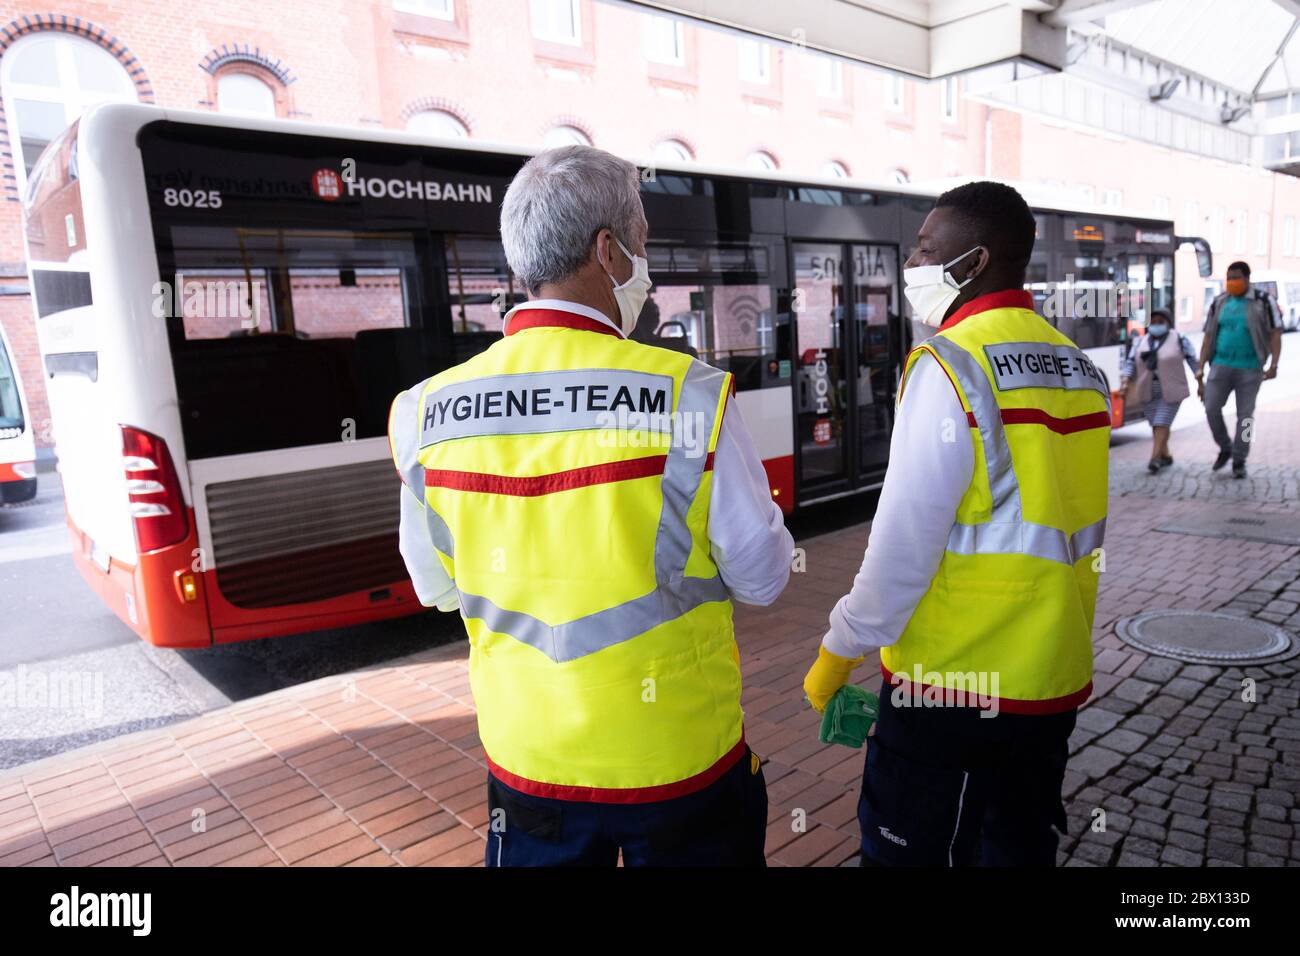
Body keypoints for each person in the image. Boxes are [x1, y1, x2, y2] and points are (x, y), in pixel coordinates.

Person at [388, 145, 794, 867]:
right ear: (606, 251)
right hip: (678, 760)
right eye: (640, 242)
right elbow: (764, 579)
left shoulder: (426, 412)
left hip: (530, 762)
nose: (645, 261)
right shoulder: (689, 394)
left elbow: (436, 587)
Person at [801, 181, 1111, 867]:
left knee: (912, 854)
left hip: (949, 689)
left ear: (973, 261)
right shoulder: (1079, 369)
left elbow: (901, 549)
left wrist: (838, 650)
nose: (912, 263)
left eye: (924, 249)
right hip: (1049, 683)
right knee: (1016, 849)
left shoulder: (951, 366)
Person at [1197, 260, 1282, 479]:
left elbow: (1275, 333)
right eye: (1229, 277)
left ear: (1247, 278)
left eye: (1236, 277)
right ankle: (1225, 446)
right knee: (1210, 408)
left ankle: (1240, 458)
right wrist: (1200, 368)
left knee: (1246, 417)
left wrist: (1273, 364)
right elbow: (1207, 336)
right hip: (1220, 364)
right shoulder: (1220, 302)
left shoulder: (1263, 301)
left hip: (1251, 368)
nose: (1232, 281)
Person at [1119, 308, 1199, 473]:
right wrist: (1125, 382)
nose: (1156, 325)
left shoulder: (1179, 338)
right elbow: (1130, 363)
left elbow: (1192, 360)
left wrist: (1200, 379)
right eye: (1153, 322)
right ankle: (1165, 454)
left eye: (1160, 322)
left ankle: (1154, 459)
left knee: (1161, 421)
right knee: (1156, 425)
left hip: (1171, 389)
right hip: (1148, 389)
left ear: (1168, 323)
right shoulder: (1140, 342)